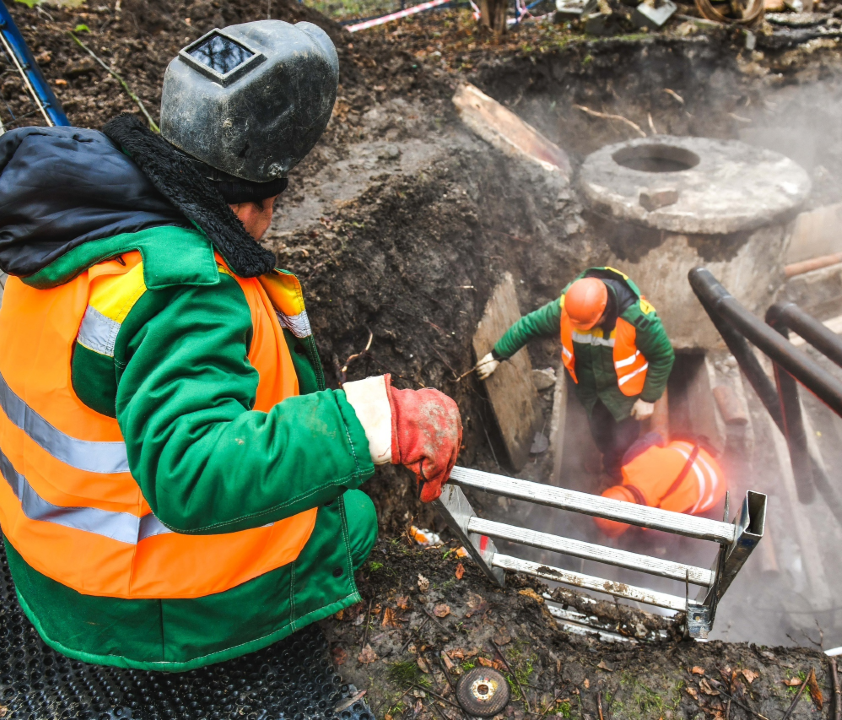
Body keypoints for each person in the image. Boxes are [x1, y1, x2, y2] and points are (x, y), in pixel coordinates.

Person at [0, 20, 461, 671]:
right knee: (351, 520)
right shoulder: (183, 288)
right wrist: (379, 422)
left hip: (47, 551)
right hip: (135, 606)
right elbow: (190, 475)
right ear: (254, 202)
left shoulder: (74, 221)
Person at [476, 267, 674, 475]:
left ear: (604, 313)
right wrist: (496, 356)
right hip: (590, 392)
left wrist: (648, 399)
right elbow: (529, 325)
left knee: (624, 442)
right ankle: (606, 461)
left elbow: (663, 356)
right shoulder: (568, 308)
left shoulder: (638, 319)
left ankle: (618, 472)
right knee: (599, 434)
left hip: (625, 396)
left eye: (587, 325)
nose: (580, 328)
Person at [593, 434, 727, 537]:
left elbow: (671, 541)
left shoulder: (659, 518)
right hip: (694, 452)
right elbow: (655, 437)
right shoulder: (630, 460)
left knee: (689, 536)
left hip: (715, 486)